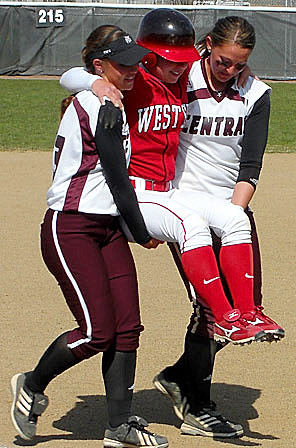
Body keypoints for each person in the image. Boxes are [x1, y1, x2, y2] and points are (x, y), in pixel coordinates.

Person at [60, 8, 284, 438]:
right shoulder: (179, 74)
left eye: (238, 63)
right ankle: (197, 401)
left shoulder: (250, 91)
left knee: (244, 301)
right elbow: (83, 74)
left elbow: (250, 164)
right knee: (210, 307)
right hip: (173, 200)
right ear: (207, 50)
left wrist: (233, 213)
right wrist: (96, 81)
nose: (229, 70)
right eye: (222, 61)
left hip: (222, 203)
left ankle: (182, 375)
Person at [10, 25, 169, 448]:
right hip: (72, 226)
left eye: (135, 61)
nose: (133, 69)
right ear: (100, 66)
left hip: (106, 228)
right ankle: (31, 383)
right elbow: (118, 178)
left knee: (127, 328)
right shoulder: (98, 105)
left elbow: (80, 76)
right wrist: (141, 231)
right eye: (122, 64)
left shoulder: (107, 95)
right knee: (96, 332)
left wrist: (99, 79)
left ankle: (119, 425)